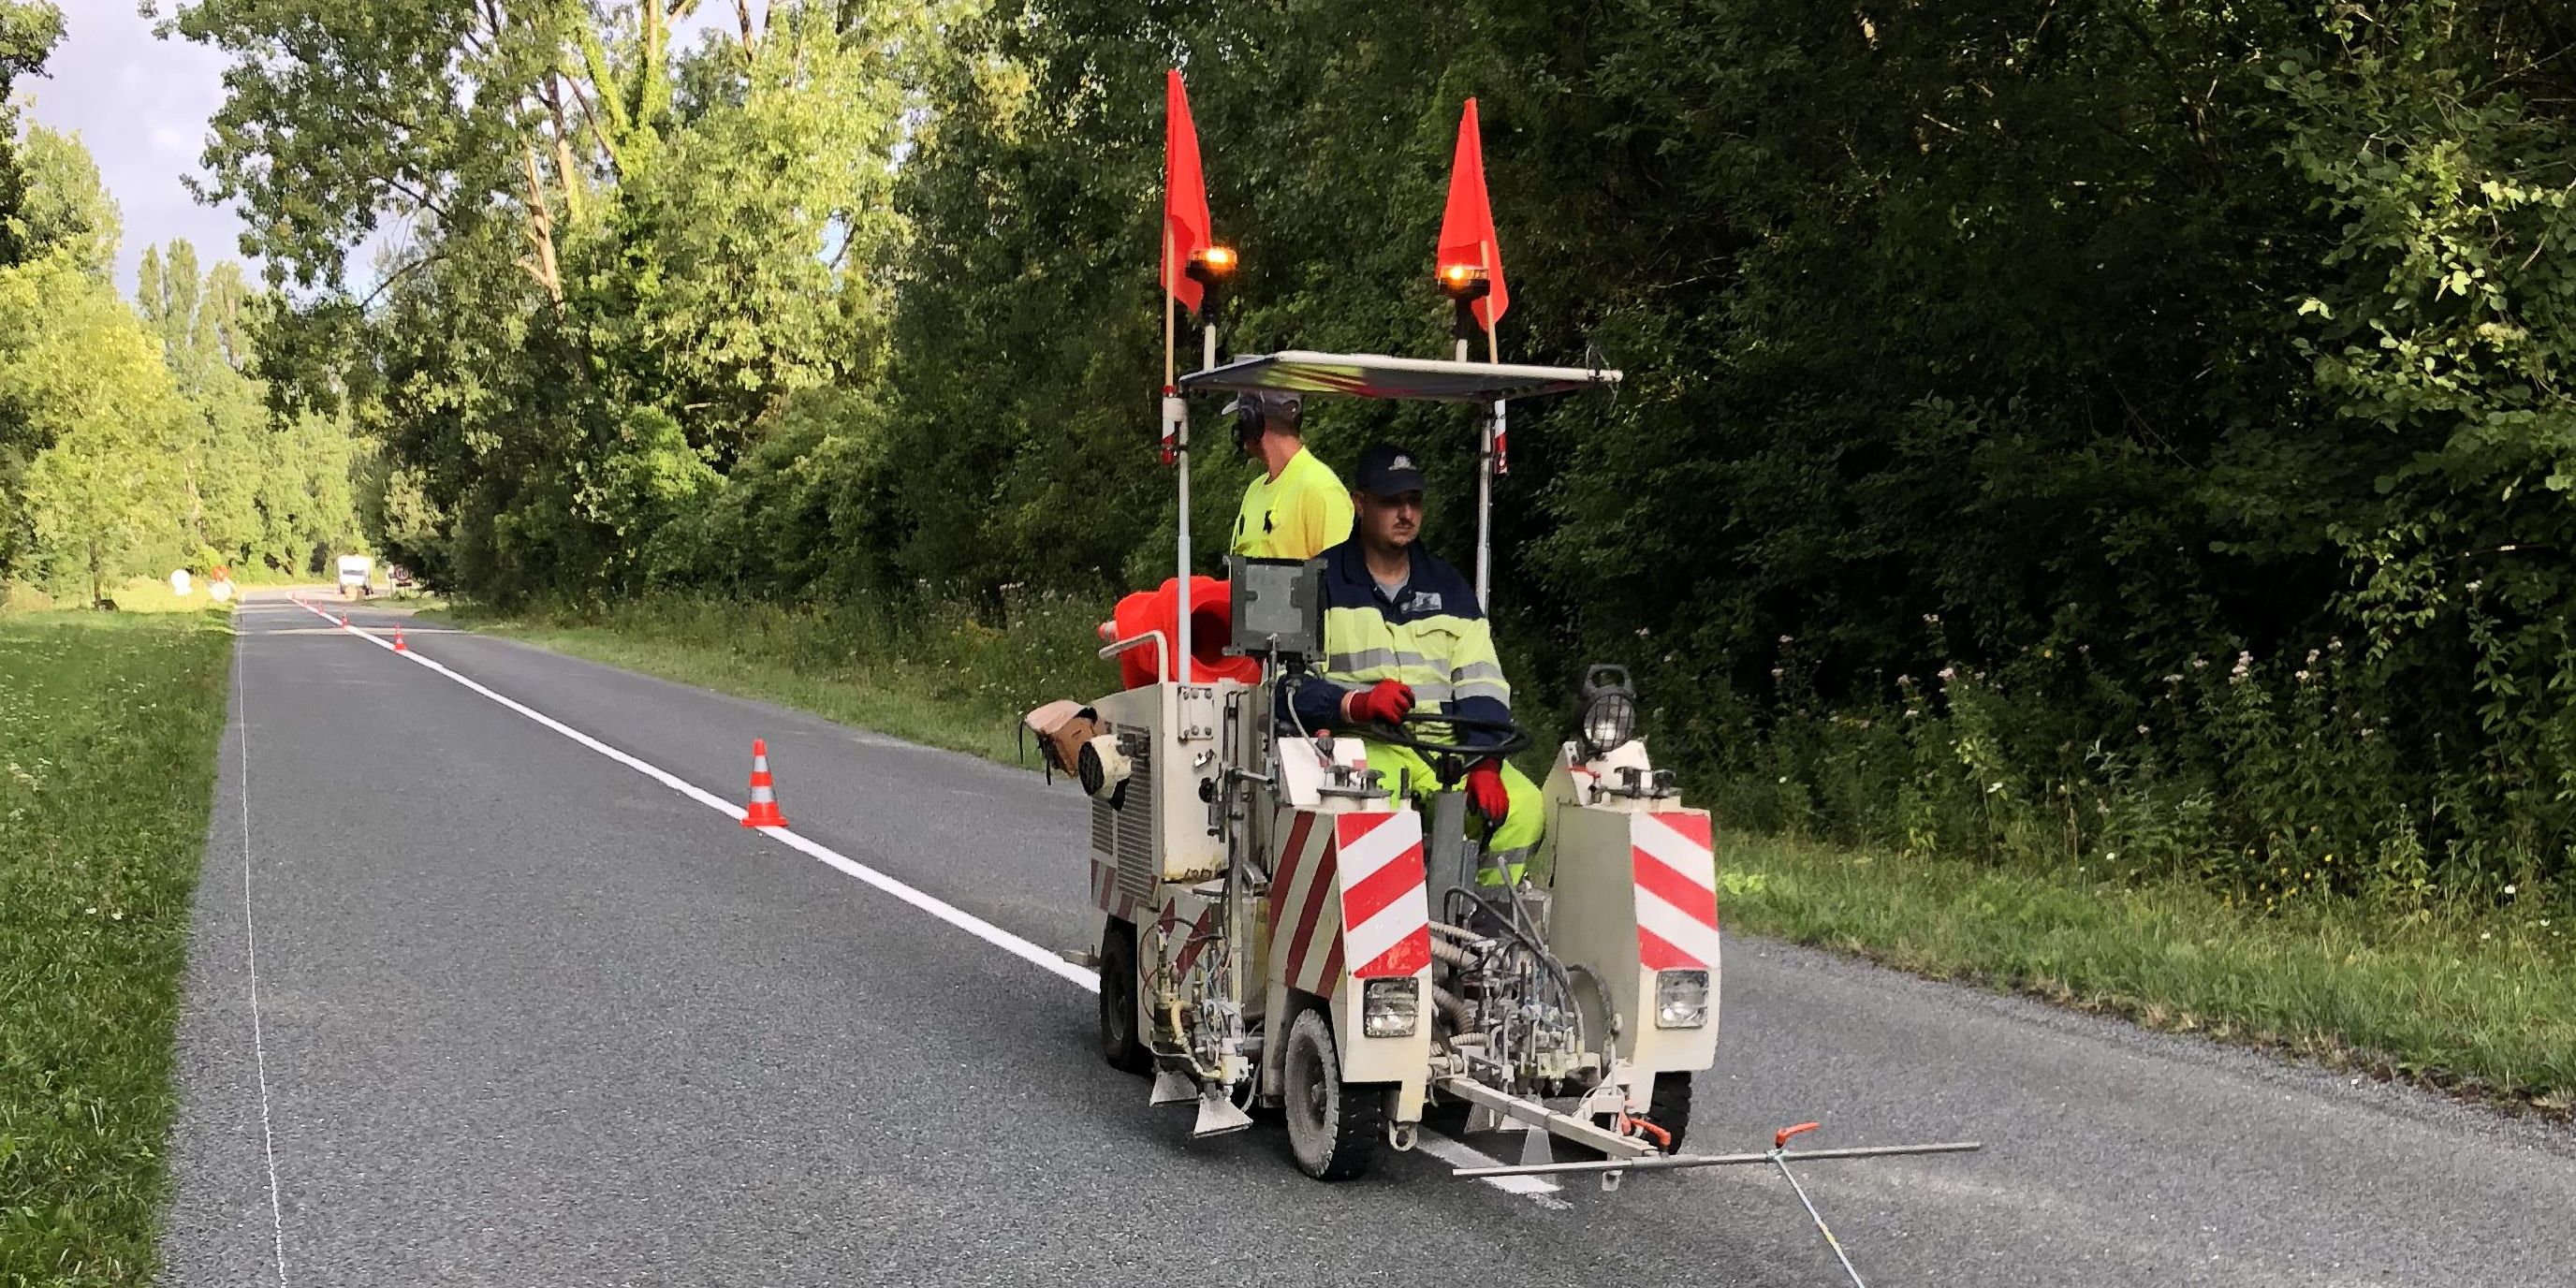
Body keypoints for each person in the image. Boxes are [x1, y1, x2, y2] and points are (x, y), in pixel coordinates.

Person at [1281, 444, 1543, 879]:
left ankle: (1483, 931)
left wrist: (1487, 763)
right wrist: (1354, 704)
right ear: (1359, 503)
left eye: (1414, 500)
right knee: (1372, 807)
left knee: (1525, 806)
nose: (1405, 513)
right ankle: (1383, 930)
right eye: (1390, 501)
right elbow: (1285, 689)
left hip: (1449, 750)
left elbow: (1483, 684)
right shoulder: (1317, 584)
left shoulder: (1451, 588)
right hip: (1364, 748)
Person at [1226, 389, 1353, 561]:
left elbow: (1338, 579)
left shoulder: (1320, 489)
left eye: (1241, 420)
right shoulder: (1254, 490)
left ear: (1251, 421)